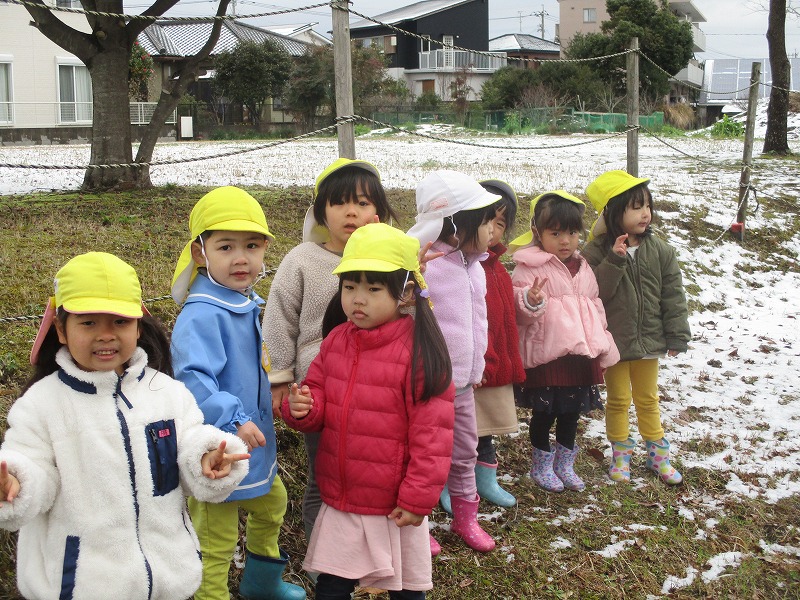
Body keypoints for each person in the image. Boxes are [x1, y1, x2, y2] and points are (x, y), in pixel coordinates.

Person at [0, 252, 250, 600]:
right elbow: (34, 471)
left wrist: (206, 458)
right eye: (88, 323)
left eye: (119, 322)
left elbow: (191, 446)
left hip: (169, 579)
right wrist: (14, 484)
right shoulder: (41, 406)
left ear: (138, 325)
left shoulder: (168, 394)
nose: (106, 336)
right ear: (60, 328)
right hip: (81, 586)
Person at [282, 223, 455, 600]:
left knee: (406, 590)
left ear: (406, 293)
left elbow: (434, 437)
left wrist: (416, 498)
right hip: (343, 497)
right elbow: (316, 396)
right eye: (350, 287)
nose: (357, 299)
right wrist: (301, 408)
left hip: (394, 503)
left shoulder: (419, 353)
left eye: (373, 289)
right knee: (332, 586)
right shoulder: (336, 341)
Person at [170, 187, 305, 600]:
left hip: (254, 444)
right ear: (200, 254)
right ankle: (212, 594)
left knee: (272, 503)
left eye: (252, 245)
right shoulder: (202, 314)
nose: (241, 258)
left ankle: (261, 582)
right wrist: (233, 419)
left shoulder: (241, 302)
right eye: (225, 247)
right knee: (217, 537)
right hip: (220, 449)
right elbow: (194, 380)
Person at [263, 158, 398, 549]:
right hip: (321, 392)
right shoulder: (303, 259)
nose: (352, 212)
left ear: (379, 212)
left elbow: (410, 315)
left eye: (363, 202)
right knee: (323, 477)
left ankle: (369, 553)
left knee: (372, 472)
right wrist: (281, 379)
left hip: (378, 394)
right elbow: (278, 320)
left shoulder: (390, 264)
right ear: (321, 209)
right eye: (339, 202)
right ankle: (325, 562)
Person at [407, 170, 500, 553]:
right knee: (423, 456)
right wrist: (415, 276)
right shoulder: (422, 263)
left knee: (464, 453)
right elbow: (406, 314)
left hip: (462, 384)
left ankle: (466, 519)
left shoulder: (475, 266)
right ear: (457, 223)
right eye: (487, 222)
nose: (494, 229)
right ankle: (419, 523)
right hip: (427, 384)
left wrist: (476, 369)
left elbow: (478, 321)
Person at [582, 171, 690, 485]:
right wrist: (614, 261)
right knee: (617, 400)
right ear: (614, 213)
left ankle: (658, 457)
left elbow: (673, 295)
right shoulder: (597, 251)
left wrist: (676, 333)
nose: (645, 213)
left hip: (650, 341)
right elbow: (594, 292)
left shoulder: (660, 251)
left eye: (647, 206)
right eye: (635, 207)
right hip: (615, 343)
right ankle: (621, 458)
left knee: (647, 398)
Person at [510, 192, 619, 492]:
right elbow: (517, 307)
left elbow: (595, 307)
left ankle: (564, 464)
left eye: (572, 233)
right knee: (545, 414)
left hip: (579, 357)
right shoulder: (527, 267)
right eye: (555, 233)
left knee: (571, 414)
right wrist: (529, 300)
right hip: (548, 357)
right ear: (537, 233)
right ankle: (541, 465)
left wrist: (604, 346)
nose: (565, 241)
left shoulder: (584, 268)